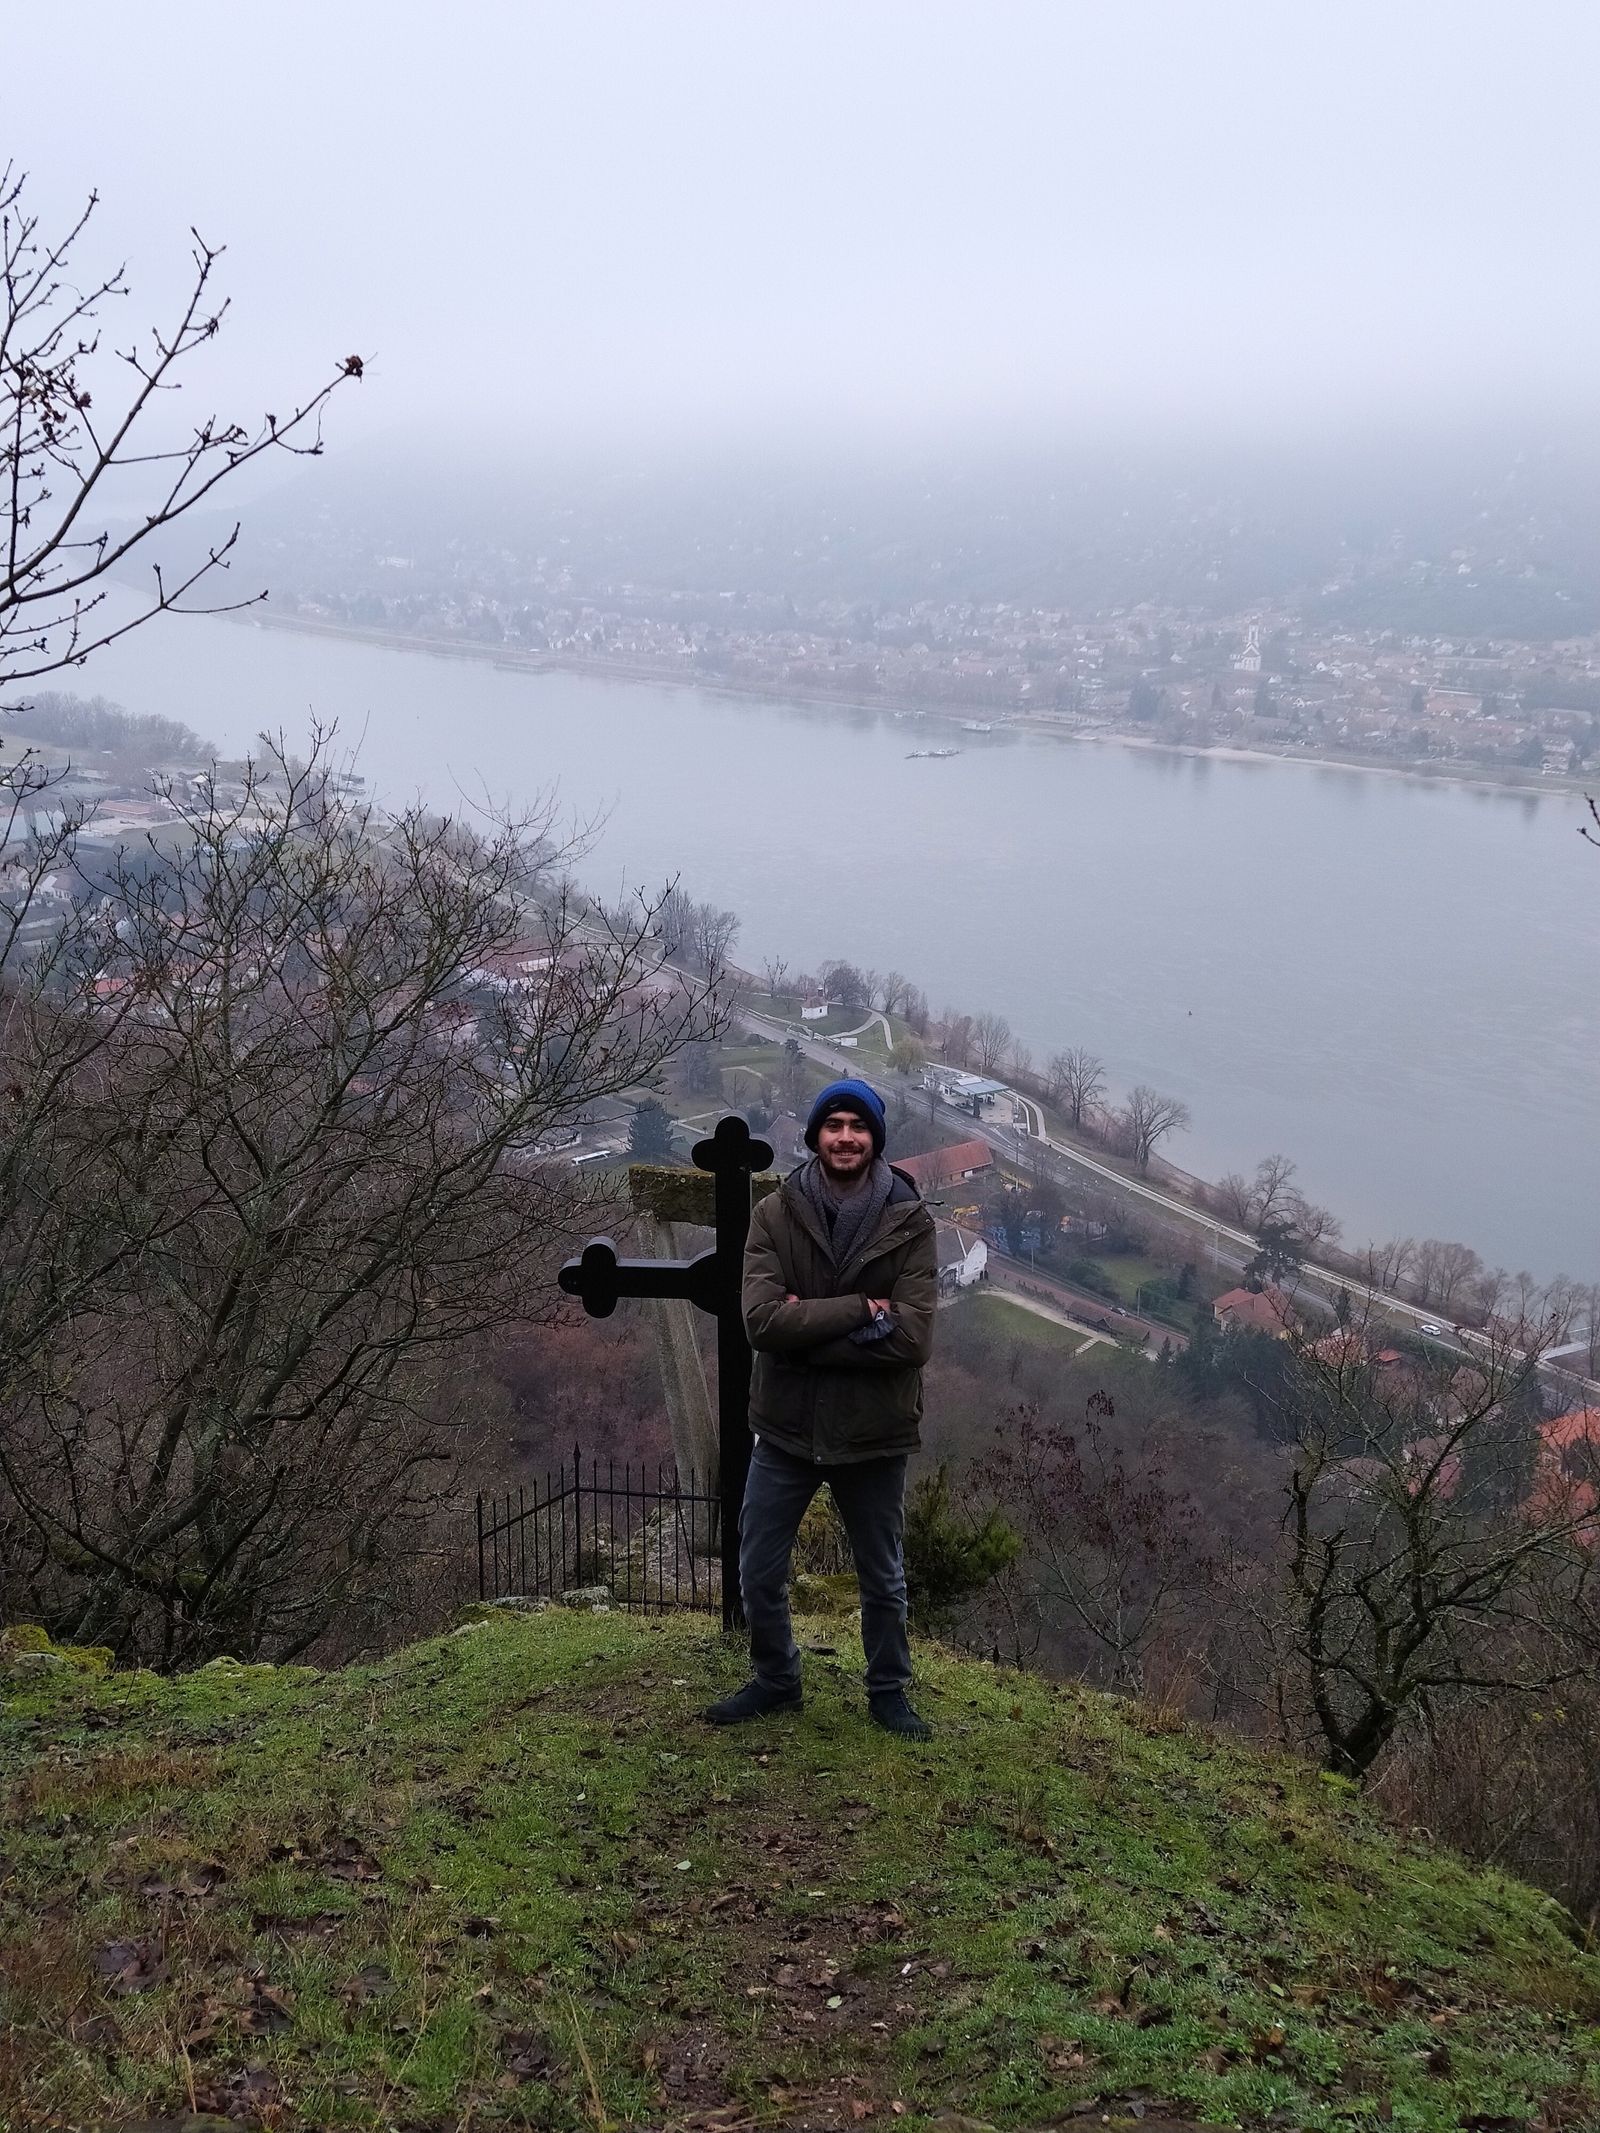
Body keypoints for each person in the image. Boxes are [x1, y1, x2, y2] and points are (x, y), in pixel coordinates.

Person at [704, 1076, 938, 1739]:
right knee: (758, 1565)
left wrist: (807, 1330)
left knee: (883, 1576)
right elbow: (761, 1323)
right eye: (833, 1124)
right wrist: (866, 1310)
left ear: (875, 1139)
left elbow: (915, 1338)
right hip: (787, 1424)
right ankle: (776, 1678)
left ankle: (889, 1692)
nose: (845, 1135)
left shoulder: (911, 1221)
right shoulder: (775, 1214)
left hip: (875, 1427)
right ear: (814, 1136)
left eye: (857, 1126)